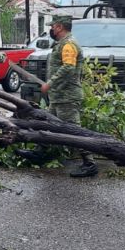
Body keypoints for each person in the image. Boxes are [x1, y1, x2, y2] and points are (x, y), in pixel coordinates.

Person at [15, 15, 98, 178]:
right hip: (59, 96)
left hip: (67, 96)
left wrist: (50, 83)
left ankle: (90, 163)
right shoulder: (61, 44)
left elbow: (68, 68)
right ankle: (40, 153)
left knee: (74, 130)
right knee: (47, 124)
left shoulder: (68, 45)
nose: (51, 29)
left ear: (59, 27)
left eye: (52, 26)